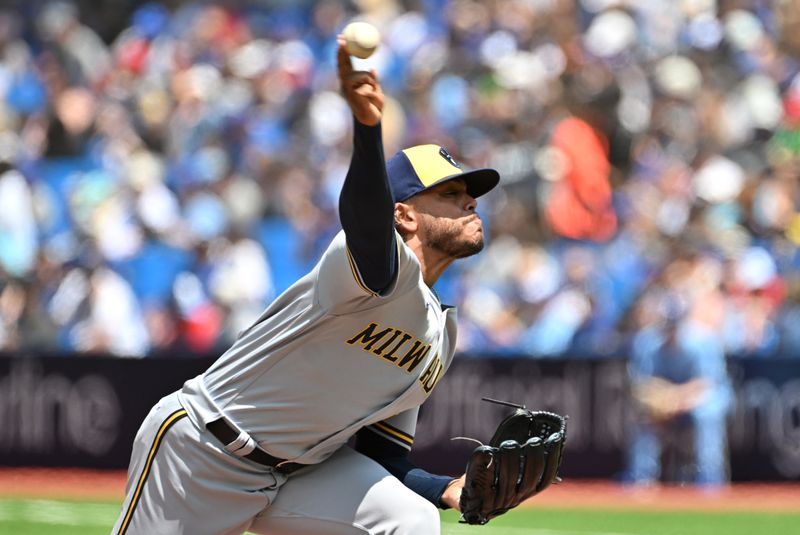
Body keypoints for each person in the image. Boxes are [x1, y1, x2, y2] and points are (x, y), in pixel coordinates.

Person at [112, 35, 502, 535]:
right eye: (451, 193)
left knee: (410, 519)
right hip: (204, 451)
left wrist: (445, 487)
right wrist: (367, 129)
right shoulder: (377, 270)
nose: (470, 202)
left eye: (470, 194)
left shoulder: (440, 336)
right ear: (401, 214)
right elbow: (364, 219)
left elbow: (382, 454)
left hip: (299, 477)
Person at [625, 313, 732, 486]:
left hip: (700, 397)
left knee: (706, 412)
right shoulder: (647, 342)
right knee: (645, 414)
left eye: (674, 325)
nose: (671, 330)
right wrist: (663, 401)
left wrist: (678, 399)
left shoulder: (703, 340)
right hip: (665, 399)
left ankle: (709, 477)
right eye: (667, 325)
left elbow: (707, 382)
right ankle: (642, 476)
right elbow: (641, 385)